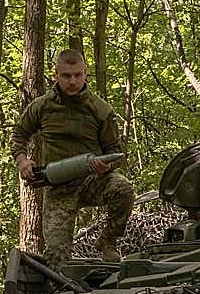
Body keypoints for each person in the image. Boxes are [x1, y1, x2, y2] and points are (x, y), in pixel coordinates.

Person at [10, 49, 135, 268]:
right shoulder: (42, 106)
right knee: (56, 258)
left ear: (85, 74)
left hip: (92, 181)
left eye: (78, 75)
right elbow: (19, 134)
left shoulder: (100, 109)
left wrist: (104, 167)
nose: (72, 81)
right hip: (58, 187)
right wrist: (23, 160)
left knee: (123, 188)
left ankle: (107, 241)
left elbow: (115, 150)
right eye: (66, 76)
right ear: (56, 74)